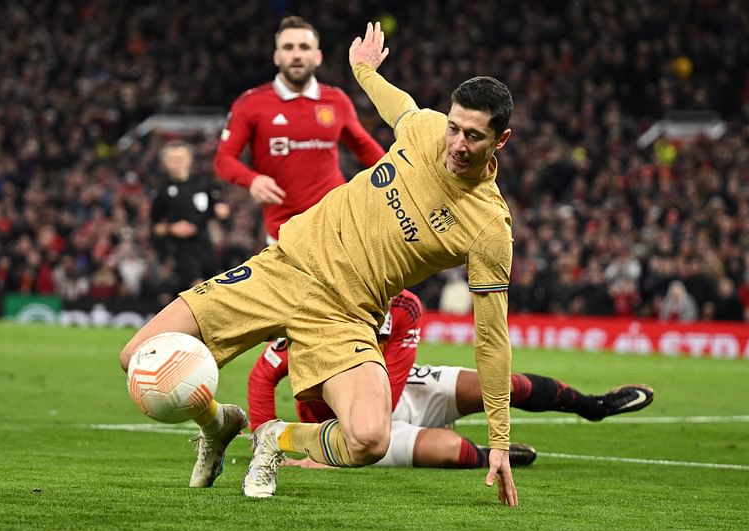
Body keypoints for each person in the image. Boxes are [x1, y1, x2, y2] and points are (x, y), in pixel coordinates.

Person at [119, 21, 518, 505]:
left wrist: (498, 439)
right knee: (137, 357)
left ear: (501, 140)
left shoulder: (489, 228)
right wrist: (364, 70)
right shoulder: (426, 129)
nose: (456, 143)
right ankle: (218, 423)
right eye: (454, 127)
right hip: (286, 267)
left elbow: (492, 337)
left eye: (473, 137)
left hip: (346, 315)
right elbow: (399, 103)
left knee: (371, 439)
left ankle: (273, 437)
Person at [247, 290, 655, 470]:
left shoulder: (405, 307)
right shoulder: (319, 315)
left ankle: (594, 406)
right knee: (451, 451)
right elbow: (262, 376)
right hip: (346, 428)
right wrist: (269, 445)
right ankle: (489, 455)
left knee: (499, 384)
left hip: (392, 395)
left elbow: (386, 396)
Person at [214, 16, 385, 242]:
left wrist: (397, 179)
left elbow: (366, 149)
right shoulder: (250, 103)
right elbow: (224, 160)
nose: (296, 54)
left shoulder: (336, 100)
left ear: (317, 56)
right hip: (284, 233)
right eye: (288, 47)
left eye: (304, 47)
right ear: (277, 56)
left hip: (338, 225)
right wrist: (252, 180)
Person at [150, 140, 230, 290]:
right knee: (197, 288)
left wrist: (221, 211)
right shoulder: (161, 191)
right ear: (165, 163)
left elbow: (218, 208)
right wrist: (172, 228)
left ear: (189, 160)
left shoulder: (203, 183)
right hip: (181, 249)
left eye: (180, 158)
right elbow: (154, 227)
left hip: (206, 244)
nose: (177, 163)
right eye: (172, 159)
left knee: (216, 287)